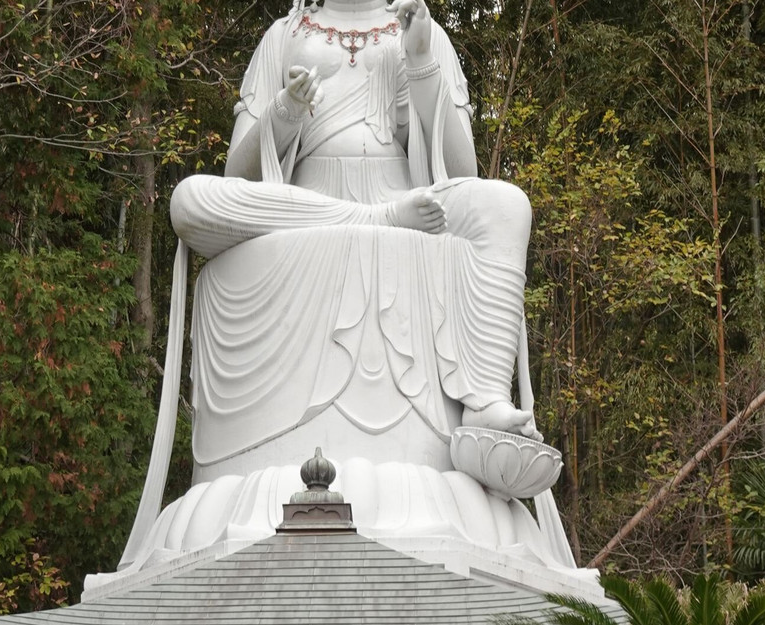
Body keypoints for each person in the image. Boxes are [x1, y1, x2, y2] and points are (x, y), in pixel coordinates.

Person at [169, 0, 540, 472]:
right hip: (305, 207)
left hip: (412, 199)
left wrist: (422, 60)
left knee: (507, 204)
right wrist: (286, 110)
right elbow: (238, 174)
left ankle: (485, 400)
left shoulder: (424, 30)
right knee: (190, 200)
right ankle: (378, 218)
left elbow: (464, 173)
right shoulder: (283, 36)